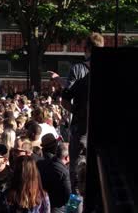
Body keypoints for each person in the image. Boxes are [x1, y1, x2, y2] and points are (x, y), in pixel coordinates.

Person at [48, 32, 104, 193]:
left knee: (76, 178)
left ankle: (74, 209)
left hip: (81, 131)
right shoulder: (111, 70)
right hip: (102, 132)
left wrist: (77, 112)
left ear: (86, 49)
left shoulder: (78, 69)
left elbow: (65, 98)